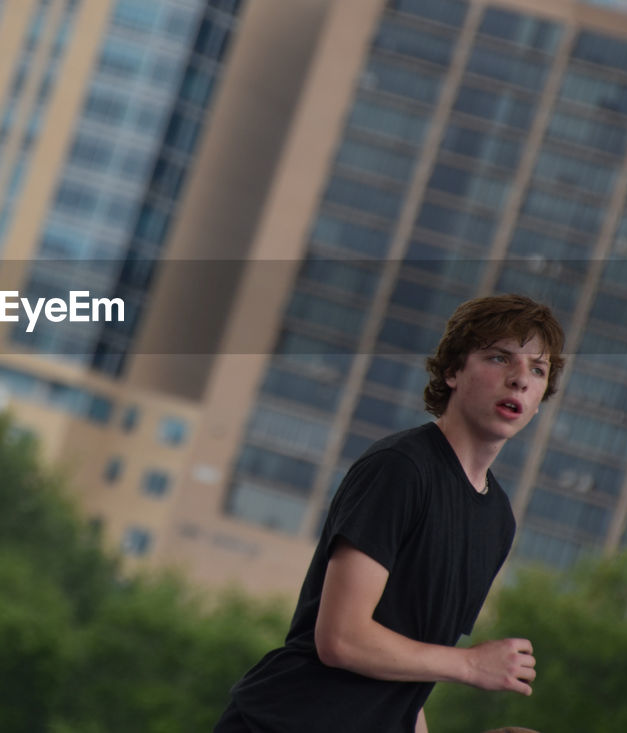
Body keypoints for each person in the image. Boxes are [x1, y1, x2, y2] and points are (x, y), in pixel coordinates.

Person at [215, 294, 565, 733]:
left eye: (538, 369)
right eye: (500, 358)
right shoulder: (401, 468)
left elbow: (407, 680)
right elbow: (341, 638)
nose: (520, 380)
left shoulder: (497, 520)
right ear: (453, 371)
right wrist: (471, 665)